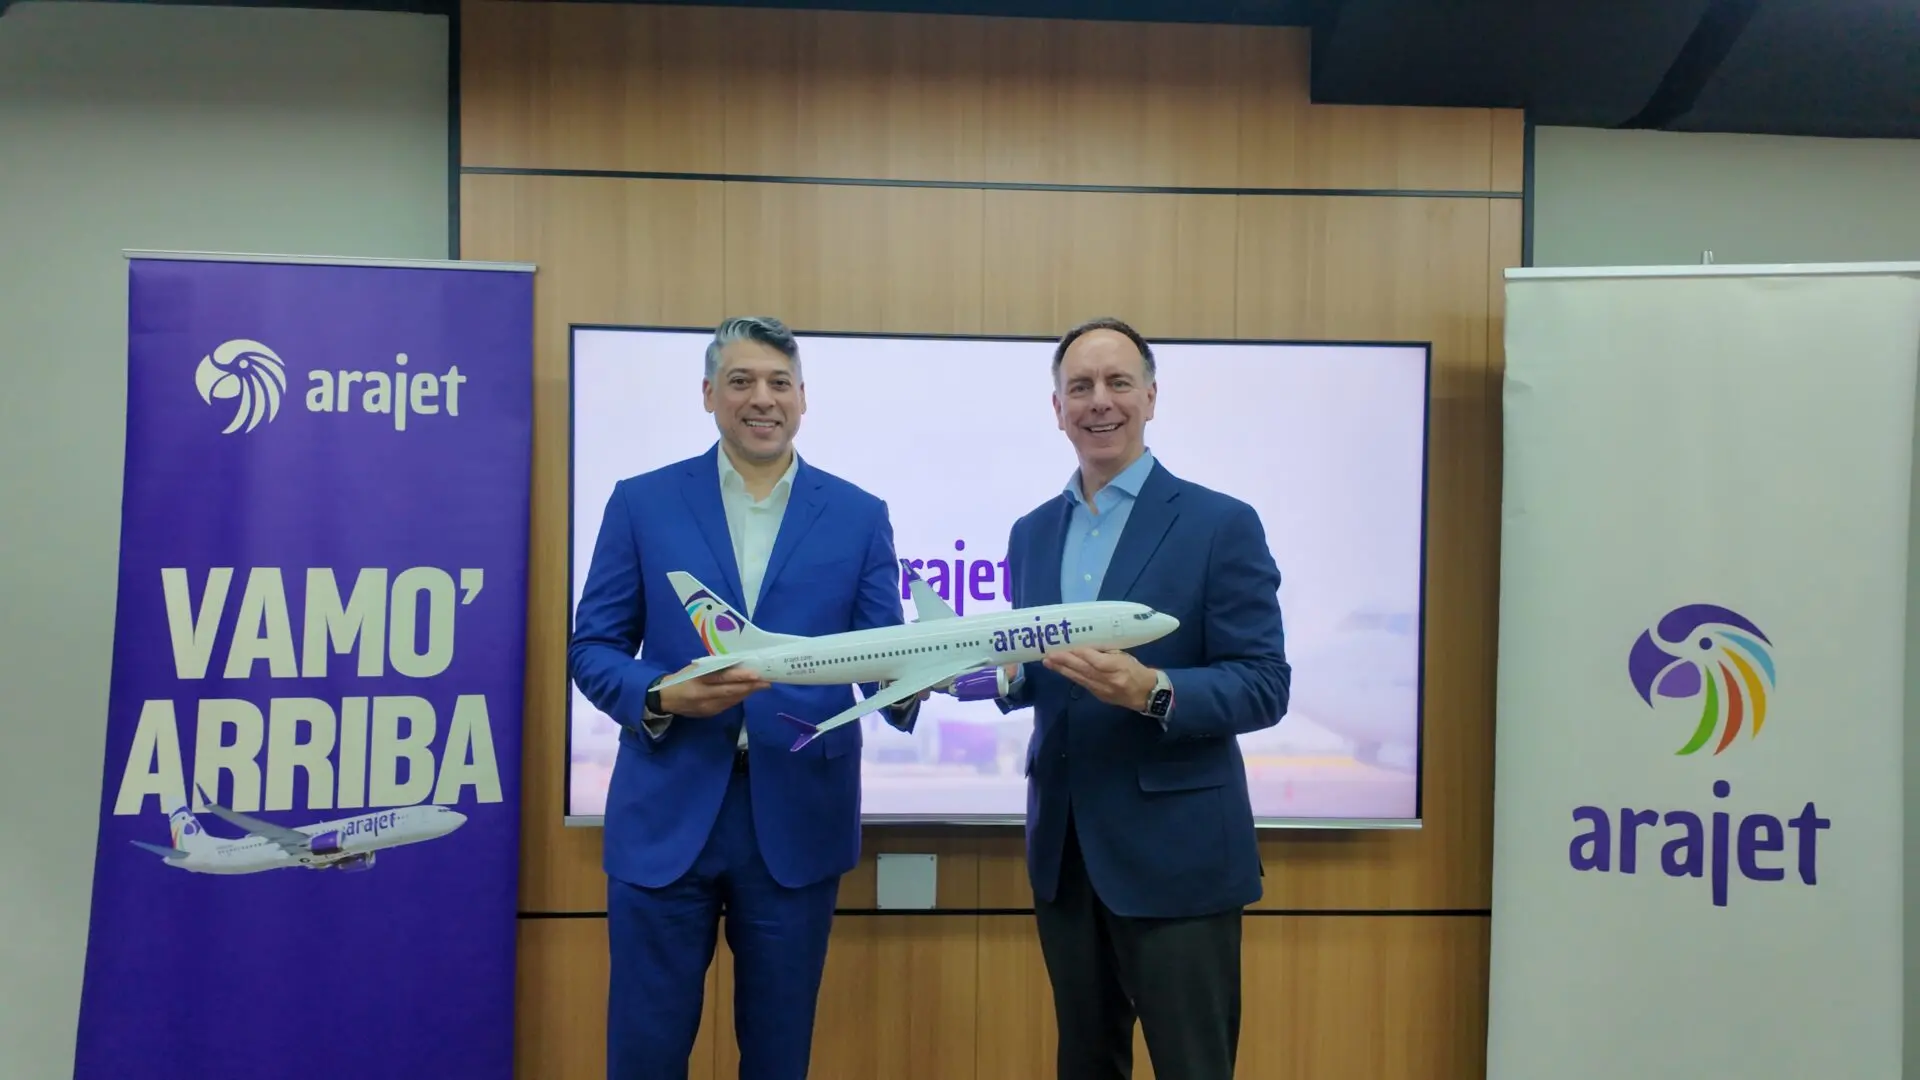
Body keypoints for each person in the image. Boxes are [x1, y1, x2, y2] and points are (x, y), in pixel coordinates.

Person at [568, 316, 923, 1080]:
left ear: (802, 398)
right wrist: (661, 693)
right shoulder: (642, 503)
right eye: (741, 381)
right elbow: (591, 648)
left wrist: (929, 675)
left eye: (778, 383)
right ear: (708, 394)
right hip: (667, 811)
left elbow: (883, 655)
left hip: (798, 818)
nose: (762, 398)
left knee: (778, 1057)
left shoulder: (859, 515)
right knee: (644, 1055)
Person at [992, 316, 1290, 1080]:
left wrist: (1153, 690)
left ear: (1150, 397)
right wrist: (988, 675)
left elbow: (1264, 684)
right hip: (1065, 855)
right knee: (1085, 1065)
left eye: (1118, 383)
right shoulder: (1031, 534)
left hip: (1179, 859)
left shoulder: (1220, 524)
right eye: (1080, 387)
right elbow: (1038, 671)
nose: (1100, 401)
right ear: (1057, 408)